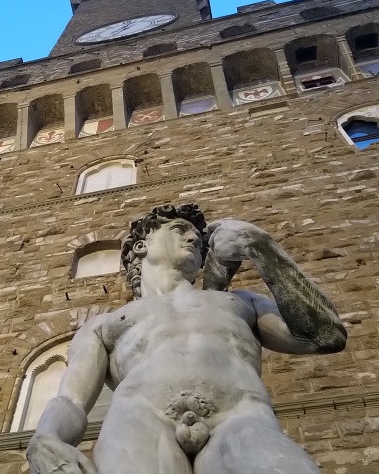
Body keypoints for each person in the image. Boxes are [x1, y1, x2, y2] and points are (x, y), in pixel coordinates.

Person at [26, 203, 347, 474]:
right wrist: (46, 437)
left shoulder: (238, 302)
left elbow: (326, 335)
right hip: (140, 421)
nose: (193, 237)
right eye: (180, 229)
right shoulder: (105, 324)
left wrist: (259, 245)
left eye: (198, 236)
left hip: (240, 418)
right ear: (141, 246)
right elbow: (71, 400)